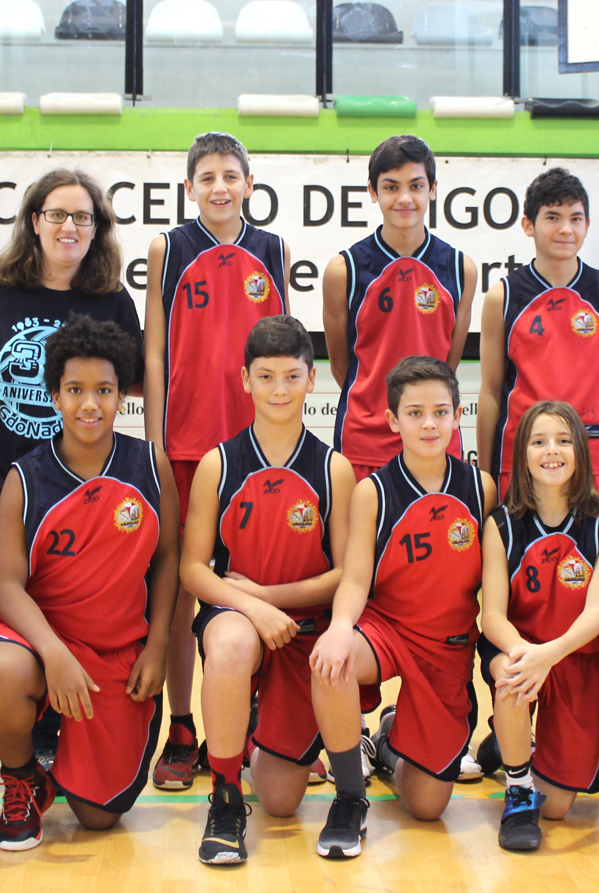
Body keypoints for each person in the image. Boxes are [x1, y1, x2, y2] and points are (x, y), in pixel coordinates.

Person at [0, 169, 146, 799]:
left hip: (78, 496)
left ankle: (44, 737)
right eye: (57, 214)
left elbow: (136, 382)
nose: (69, 226)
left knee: (68, 617)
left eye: (83, 217)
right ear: (33, 220)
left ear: (97, 228)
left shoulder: (112, 300)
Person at [0, 315, 177, 850]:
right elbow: (6, 586)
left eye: (104, 390)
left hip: (116, 652)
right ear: (55, 396)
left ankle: (73, 762)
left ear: (122, 396)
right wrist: (53, 652)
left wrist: (157, 647)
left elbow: (168, 559)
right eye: (76, 390)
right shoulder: (25, 477)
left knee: (98, 818)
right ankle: (23, 776)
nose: (90, 404)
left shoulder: (150, 465)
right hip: (43, 647)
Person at [179, 315, 354, 865]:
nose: (280, 389)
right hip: (236, 616)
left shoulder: (334, 469)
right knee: (231, 644)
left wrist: (270, 599)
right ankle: (226, 799)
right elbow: (193, 570)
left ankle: (258, 727)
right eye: (266, 376)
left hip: (302, 629)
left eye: (292, 376)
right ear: (245, 380)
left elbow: (346, 575)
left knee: (280, 801)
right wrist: (252, 606)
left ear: (312, 380)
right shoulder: (218, 464)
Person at [144, 132, 290, 791]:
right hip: (184, 446)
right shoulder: (169, 249)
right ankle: (181, 725)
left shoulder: (273, 250)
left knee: (253, 585)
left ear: (250, 184)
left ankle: (256, 724)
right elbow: (154, 352)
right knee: (182, 589)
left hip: (255, 450)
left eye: (231, 175)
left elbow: (284, 350)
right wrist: (155, 441)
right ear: (189, 187)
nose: (220, 187)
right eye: (207, 177)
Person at [310, 356, 495, 859]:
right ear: (393, 421)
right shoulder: (372, 491)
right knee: (331, 662)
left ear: (458, 415)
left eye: (440, 412)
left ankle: (393, 745)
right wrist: (340, 626)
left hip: (448, 647)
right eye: (415, 413)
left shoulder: (480, 488)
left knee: (427, 807)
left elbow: (492, 582)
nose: (429, 424)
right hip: (387, 630)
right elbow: (355, 579)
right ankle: (350, 797)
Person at [478, 401, 599, 851]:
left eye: (563, 441)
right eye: (538, 442)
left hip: (574, 654)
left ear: (580, 449)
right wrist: (527, 654)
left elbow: (598, 612)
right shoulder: (501, 524)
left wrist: (550, 654)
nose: (551, 451)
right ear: (522, 454)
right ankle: (518, 789)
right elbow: (492, 616)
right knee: (512, 679)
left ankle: (505, 743)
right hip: (518, 647)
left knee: (558, 807)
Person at [323, 135, 478, 482]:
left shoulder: (460, 269)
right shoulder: (344, 270)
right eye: (391, 187)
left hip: (435, 439)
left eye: (416, 186)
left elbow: (448, 364)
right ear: (373, 192)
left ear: (433, 189)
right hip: (364, 441)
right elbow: (341, 366)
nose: (405, 198)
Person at [478, 167, 599, 499]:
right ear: (528, 225)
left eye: (575, 218)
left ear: (587, 225)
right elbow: (490, 391)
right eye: (553, 217)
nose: (566, 229)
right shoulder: (502, 297)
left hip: (595, 459)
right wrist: (486, 475)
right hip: (521, 463)